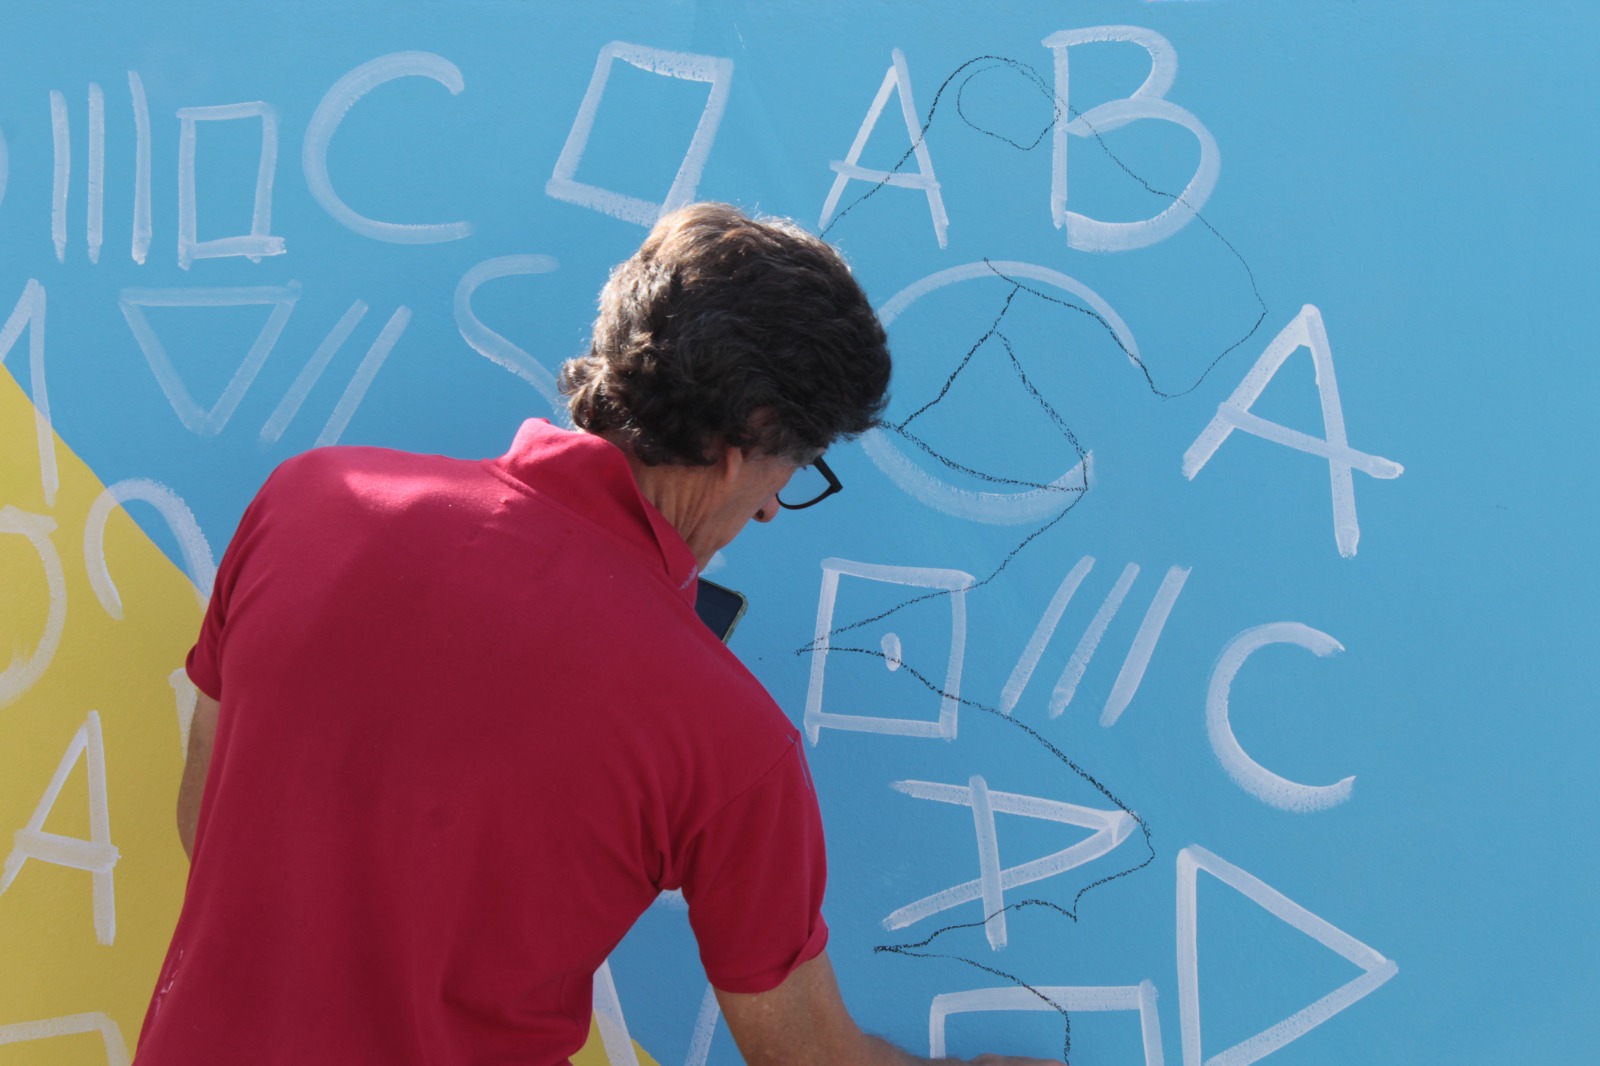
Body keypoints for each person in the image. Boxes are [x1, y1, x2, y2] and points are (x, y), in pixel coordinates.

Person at [136, 203, 1060, 1066]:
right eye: (795, 467)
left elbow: (201, 814)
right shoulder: (729, 739)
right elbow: (804, 1051)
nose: (772, 509)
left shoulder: (308, 499)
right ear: (751, 436)